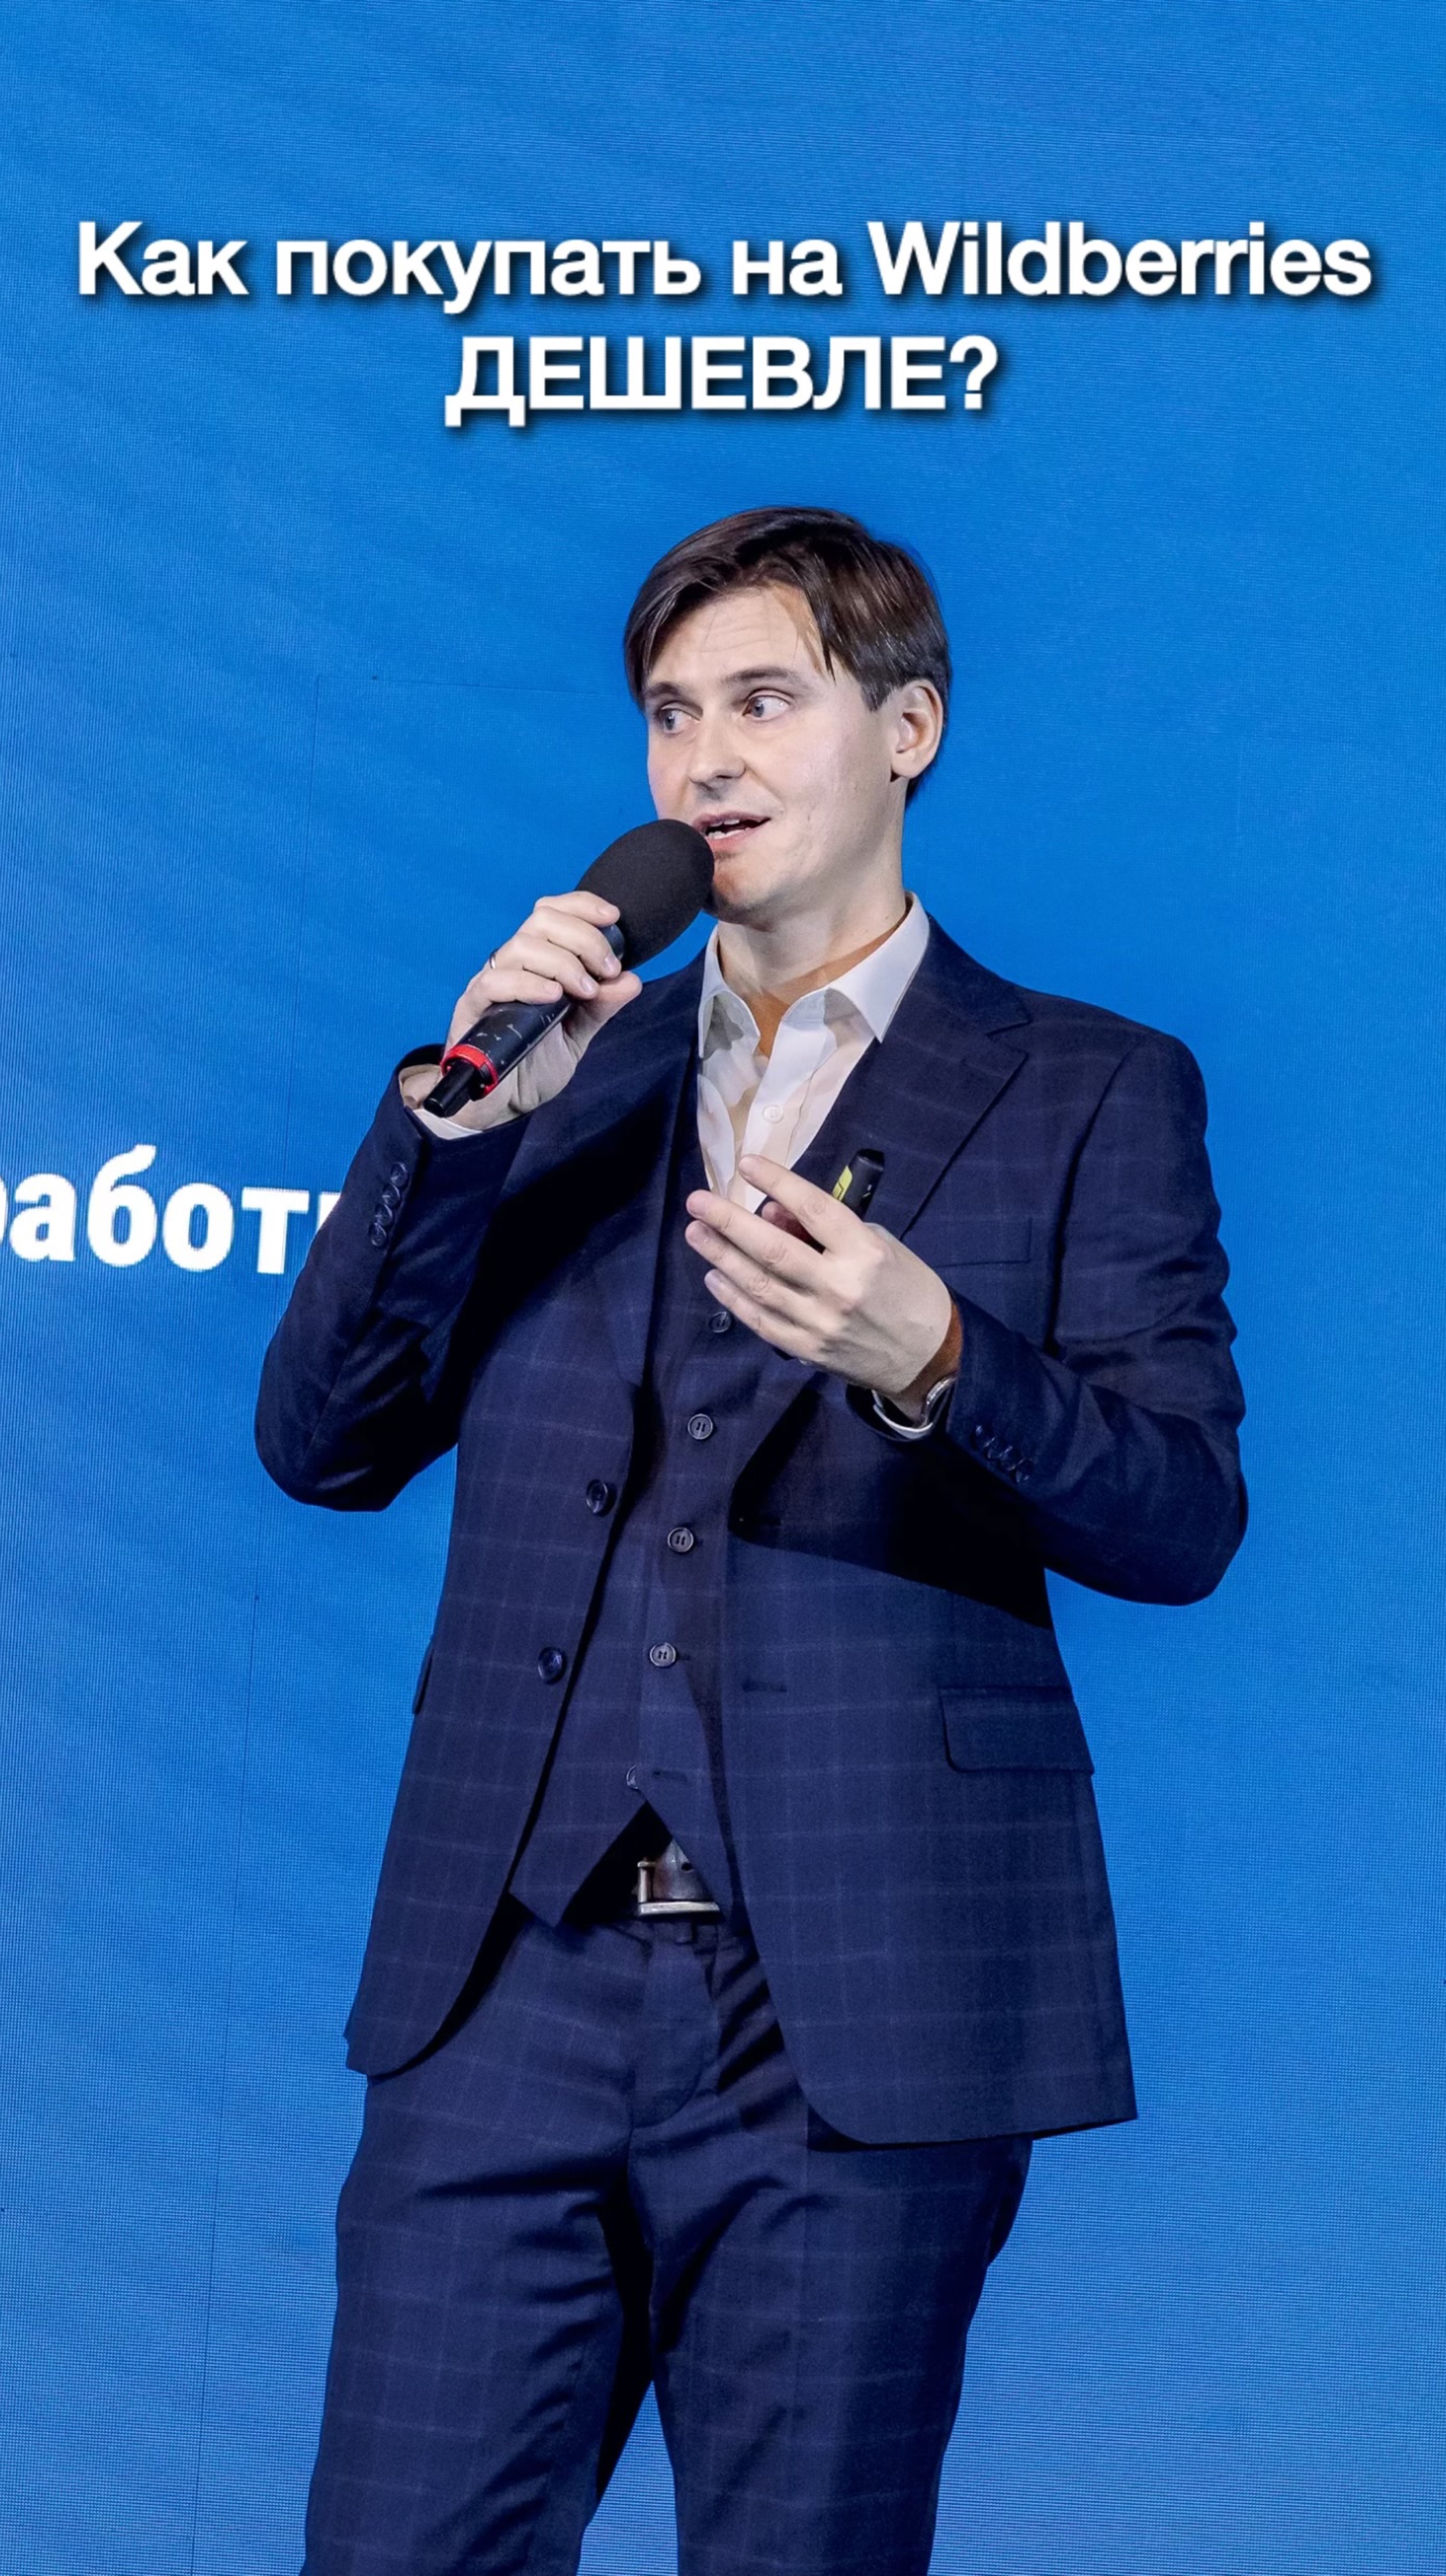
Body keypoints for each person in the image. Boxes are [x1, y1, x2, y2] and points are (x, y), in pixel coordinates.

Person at [257, 505, 1246, 2576]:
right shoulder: (557, 1073)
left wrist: (939, 1357)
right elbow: (322, 1442)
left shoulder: (1084, 1086)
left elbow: (1177, 1515)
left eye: (763, 702)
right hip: (504, 1981)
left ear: (907, 727)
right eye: (669, 712)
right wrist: (448, 1123)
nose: (703, 759)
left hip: (852, 2001)